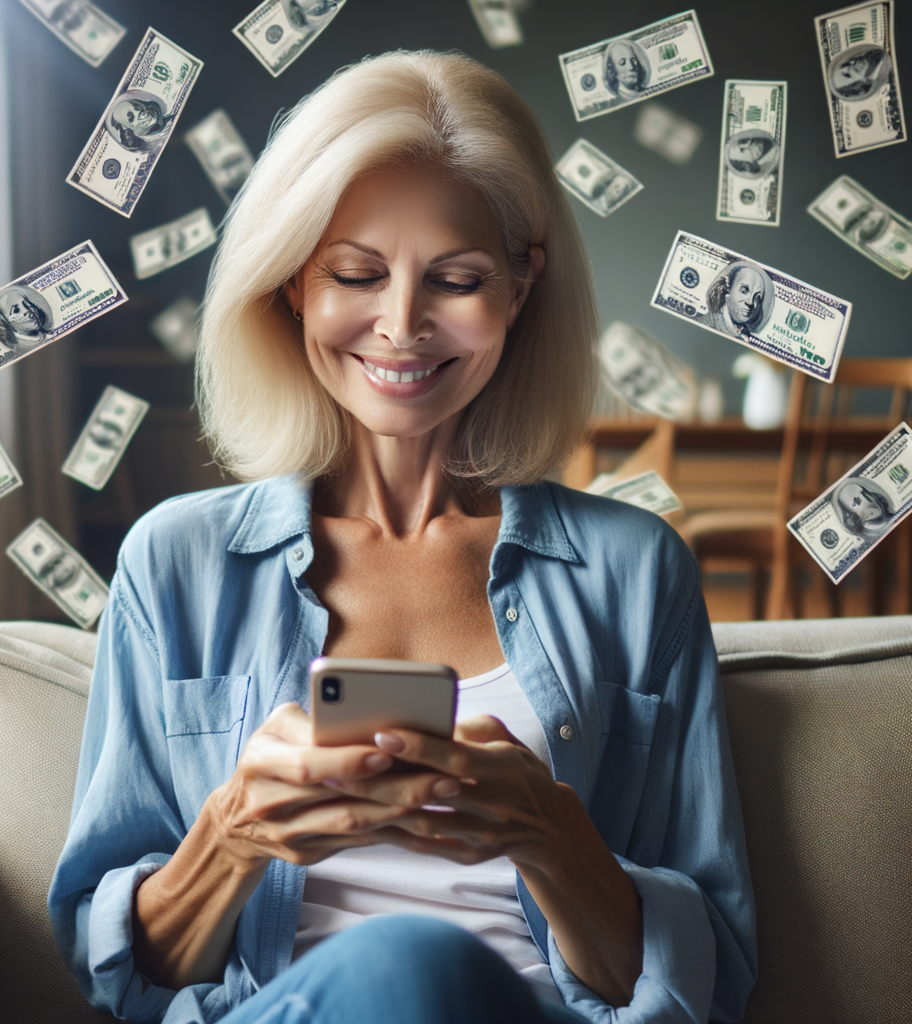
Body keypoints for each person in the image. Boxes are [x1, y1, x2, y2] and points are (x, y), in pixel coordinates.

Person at [49, 51, 755, 1024]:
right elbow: (123, 981)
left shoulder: (634, 572)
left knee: (424, 968)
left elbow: (705, 976)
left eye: (456, 280)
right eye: (356, 273)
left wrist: (551, 837)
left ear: (521, 285)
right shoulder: (176, 564)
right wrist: (235, 832)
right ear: (293, 284)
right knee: (402, 964)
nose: (401, 325)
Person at [705, 262, 774, 339]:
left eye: (757, 298)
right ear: (728, 288)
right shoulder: (707, 324)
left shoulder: (744, 333)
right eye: (743, 291)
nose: (750, 302)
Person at [108, 92, 176, 151]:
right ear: (128, 132)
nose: (142, 113)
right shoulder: (154, 146)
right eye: (131, 117)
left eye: (137, 107)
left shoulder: (170, 116)